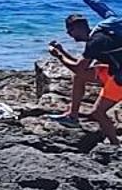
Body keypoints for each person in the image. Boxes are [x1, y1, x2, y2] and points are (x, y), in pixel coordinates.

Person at [48, 14, 122, 144]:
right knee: (79, 77)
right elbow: (82, 67)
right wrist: (63, 52)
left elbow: (78, 67)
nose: (69, 34)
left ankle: (115, 145)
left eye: (70, 30)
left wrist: (59, 56)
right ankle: (73, 116)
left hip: (119, 79)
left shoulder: (95, 42)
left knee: (98, 112)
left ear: (78, 28)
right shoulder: (100, 36)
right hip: (114, 71)